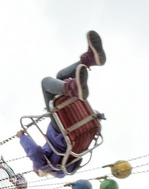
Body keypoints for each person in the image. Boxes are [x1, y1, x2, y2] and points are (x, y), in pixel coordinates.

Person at [17, 32, 106, 176]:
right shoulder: (46, 165)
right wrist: (22, 137)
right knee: (46, 82)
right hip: (61, 131)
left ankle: (89, 60)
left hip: (78, 127)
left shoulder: (69, 164)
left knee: (60, 77)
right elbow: (33, 152)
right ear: (39, 170)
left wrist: (96, 114)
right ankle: (75, 83)